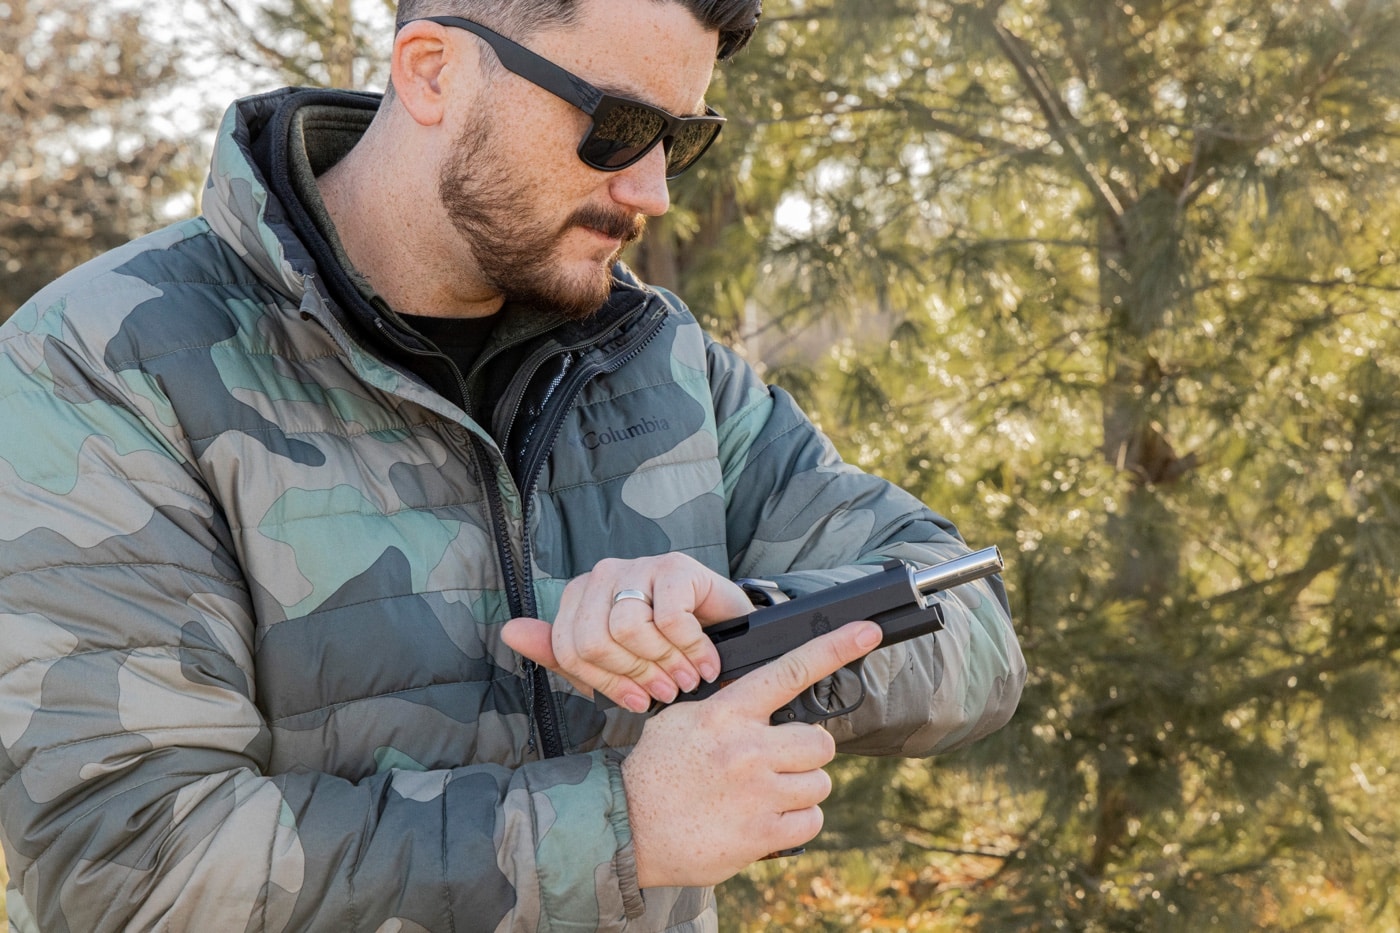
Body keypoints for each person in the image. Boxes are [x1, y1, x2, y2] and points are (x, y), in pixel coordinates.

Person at [0, 0, 1026, 929]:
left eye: (682, 137)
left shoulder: (659, 360)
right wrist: (617, 828)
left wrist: (740, 625)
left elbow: (970, 625)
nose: (653, 189)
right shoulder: (104, 362)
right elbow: (128, 867)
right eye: (617, 127)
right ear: (434, 71)